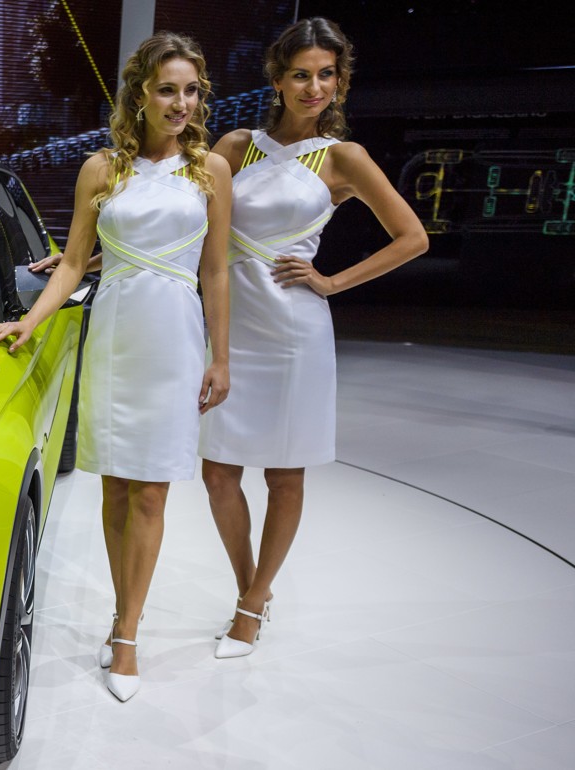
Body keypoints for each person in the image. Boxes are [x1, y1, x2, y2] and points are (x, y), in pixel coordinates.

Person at [0, 32, 231, 701]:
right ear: (141, 94)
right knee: (115, 490)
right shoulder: (102, 169)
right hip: (117, 334)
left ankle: (125, 633)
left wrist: (221, 356)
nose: (181, 103)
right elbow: (72, 265)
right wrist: (29, 322)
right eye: (167, 89)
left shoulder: (211, 171)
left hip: (175, 339)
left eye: (191, 90)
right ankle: (126, 610)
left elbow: (215, 272)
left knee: (153, 492)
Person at [197, 18, 428, 659]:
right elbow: (190, 223)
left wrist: (332, 282)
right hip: (230, 327)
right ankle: (254, 588)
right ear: (277, 79)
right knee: (218, 474)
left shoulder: (343, 158)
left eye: (327, 74)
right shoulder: (236, 145)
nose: (314, 86)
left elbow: (413, 238)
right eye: (302, 74)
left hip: (294, 333)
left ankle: (250, 603)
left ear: (341, 82)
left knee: (284, 477)